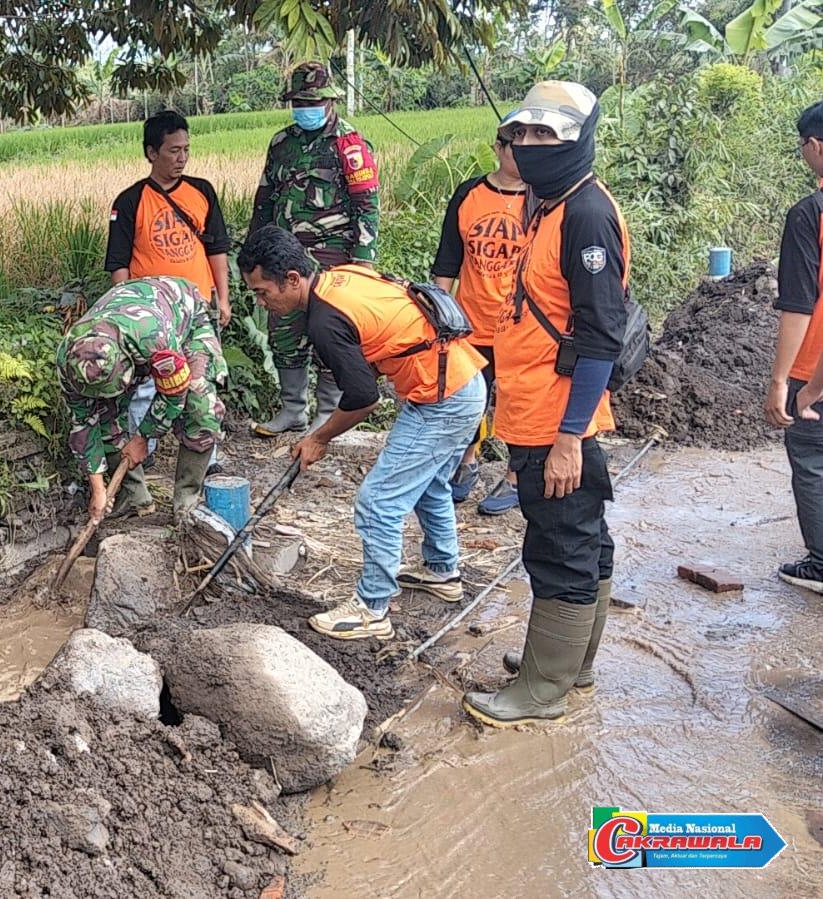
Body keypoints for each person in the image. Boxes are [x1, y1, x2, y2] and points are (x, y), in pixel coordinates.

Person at [461, 82, 631, 728]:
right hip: (539, 410)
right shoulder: (549, 204)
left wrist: (565, 436)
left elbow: (599, 336)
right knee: (585, 538)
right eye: (521, 134)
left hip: (557, 418)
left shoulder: (584, 214)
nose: (529, 145)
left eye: (546, 135)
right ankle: (570, 665)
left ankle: (542, 688)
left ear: (578, 140)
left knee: (559, 546)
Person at [238, 226, 486, 641]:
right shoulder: (340, 278)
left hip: (445, 397)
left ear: (293, 280)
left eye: (264, 292)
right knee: (430, 486)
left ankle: (373, 609)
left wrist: (319, 438)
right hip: (460, 381)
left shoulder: (324, 320)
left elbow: (363, 398)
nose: (263, 303)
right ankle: (443, 571)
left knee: (379, 501)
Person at [249, 60, 380, 437]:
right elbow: (265, 199)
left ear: (329, 101)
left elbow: (367, 205)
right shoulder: (282, 144)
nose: (304, 109)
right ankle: (293, 409)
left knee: (329, 331)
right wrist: (257, 249)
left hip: (333, 256)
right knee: (284, 328)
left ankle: (327, 412)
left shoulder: (349, 145)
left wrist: (363, 262)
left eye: (311, 102)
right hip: (285, 252)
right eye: (298, 102)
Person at [106, 110, 231, 489]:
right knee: (148, 385)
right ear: (150, 153)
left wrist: (222, 299)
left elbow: (218, 248)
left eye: (186, 150)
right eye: (173, 150)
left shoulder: (202, 191)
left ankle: (204, 455)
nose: (181, 158)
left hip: (196, 309)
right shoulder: (129, 202)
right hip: (152, 316)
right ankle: (147, 448)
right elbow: (118, 264)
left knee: (200, 381)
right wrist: (124, 311)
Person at [58, 276, 225, 523]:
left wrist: (143, 437)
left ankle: (186, 505)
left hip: (184, 317)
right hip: (131, 324)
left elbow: (173, 395)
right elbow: (84, 424)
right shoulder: (69, 363)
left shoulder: (154, 339)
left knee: (200, 405)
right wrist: (98, 489)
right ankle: (133, 498)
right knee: (107, 419)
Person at [430, 117, 533, 514]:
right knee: (471, 399)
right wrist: (441, 314)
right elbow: (448, 260)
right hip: (472, 322)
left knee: (517, 403)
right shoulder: (470, 194)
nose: (522, 157)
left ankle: (515, 476)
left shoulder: (544, 200)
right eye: (514, 147)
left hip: (522, 327)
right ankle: (467, 462)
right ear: (498, 147)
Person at [764, 99, 823, 595]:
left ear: (816, 146)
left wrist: (785, 382)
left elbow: (799, 305)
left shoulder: (809, 216)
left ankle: (821, 563)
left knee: (810, 458)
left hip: (814, 364)